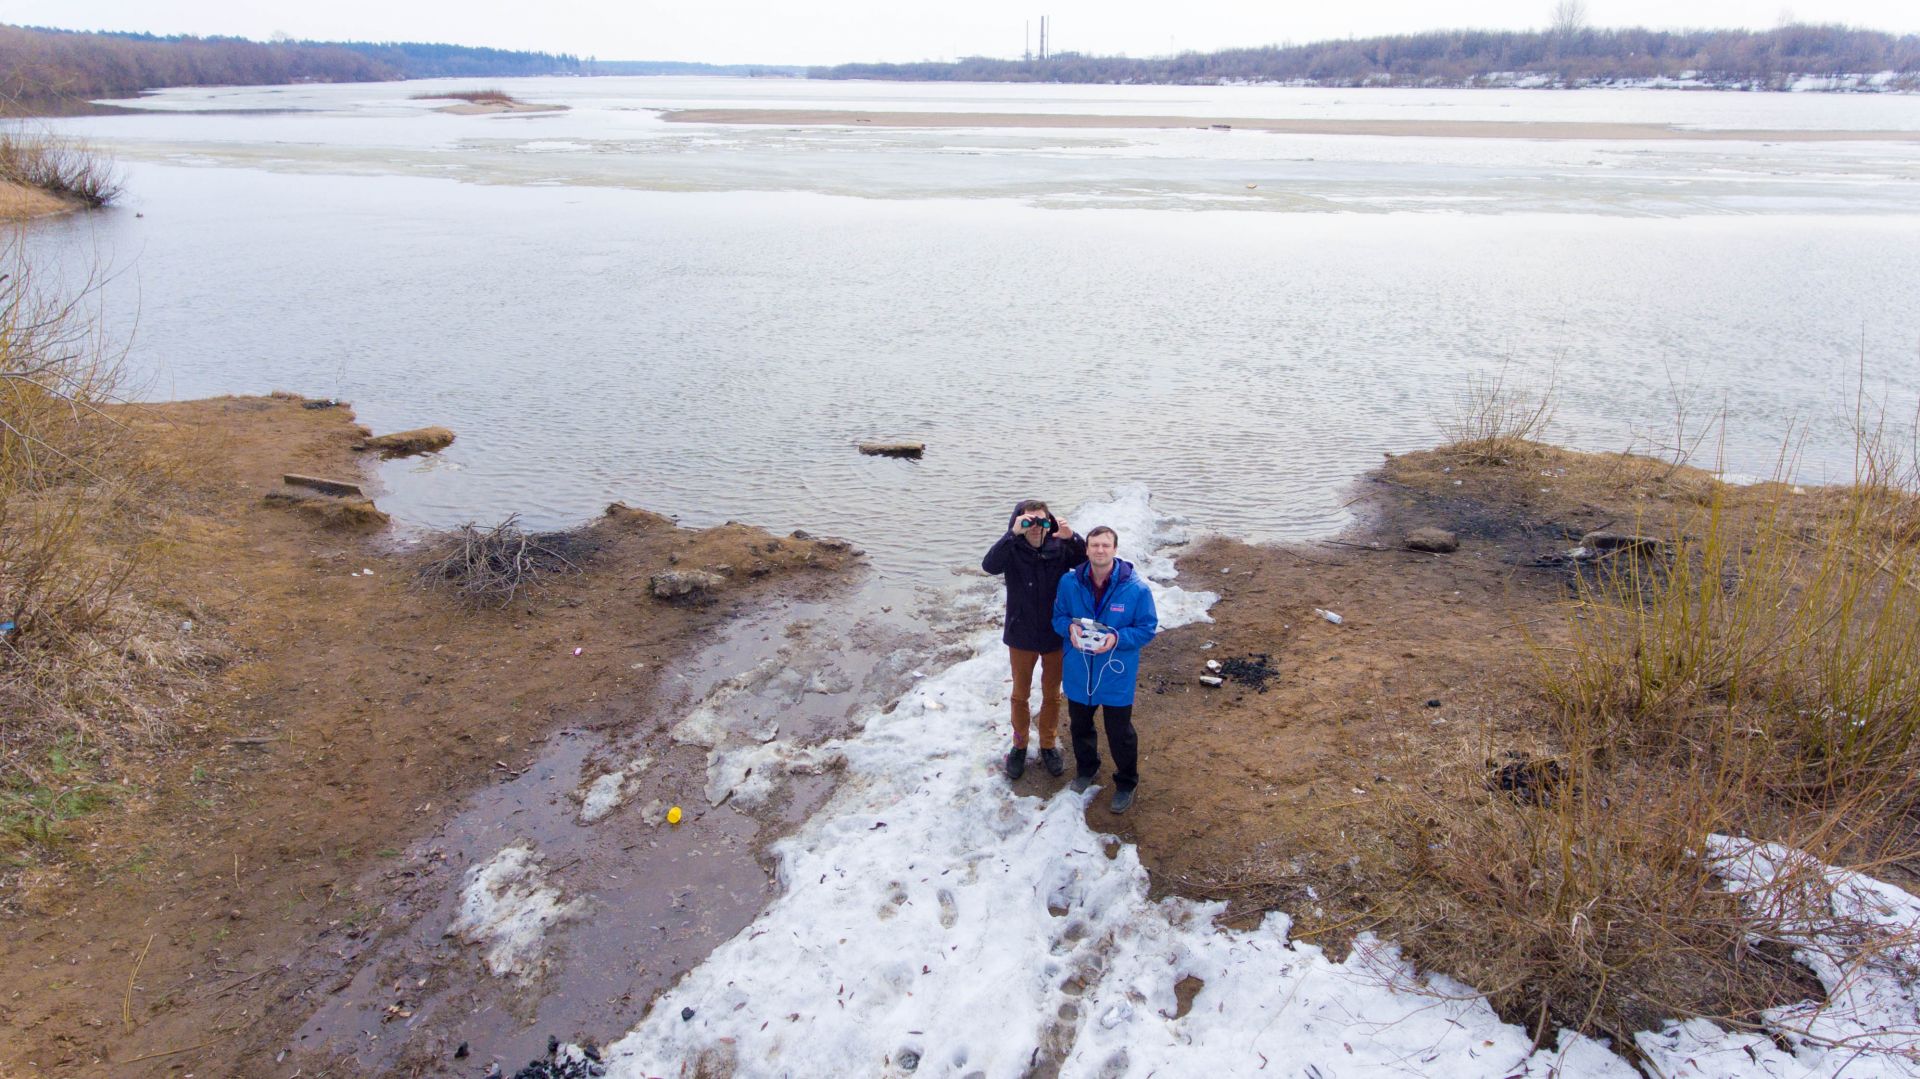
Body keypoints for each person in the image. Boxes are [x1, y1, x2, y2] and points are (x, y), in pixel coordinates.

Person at [1051, 525, 1158, 814]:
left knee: (1119, 731)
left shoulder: (1135, 589)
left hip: (1115, 672)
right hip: (1078, 669)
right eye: (1094, 545)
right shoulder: (1069, 583)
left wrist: (1117, 638)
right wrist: (1069, 628)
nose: (1100, 550)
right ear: (1086, 549)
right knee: (1080, 725)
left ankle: (1126, 782)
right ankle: (1087, 770)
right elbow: (1058, 617)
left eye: (1105, 545)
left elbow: (1147, 629)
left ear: (1114, 549)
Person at [981, 499, 1086, 780]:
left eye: (1041, 520)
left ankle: (1048, 745)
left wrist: (1072, 537)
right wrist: (1011, 534)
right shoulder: (1012, 549)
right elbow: (989, 566)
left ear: (1049, 522)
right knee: (1020, 695)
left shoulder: (1061, 548)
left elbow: (1089, 560)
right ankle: (1019, 744)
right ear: (1019, 522)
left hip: (1054, 633)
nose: (1036, 527)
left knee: (1052, 695)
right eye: (1029, 521)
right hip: (1021, 634)